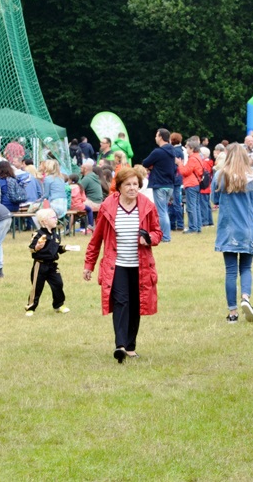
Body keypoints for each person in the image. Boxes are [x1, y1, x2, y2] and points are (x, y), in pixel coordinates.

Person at [83, 168, 161, 362]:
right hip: (116, 264)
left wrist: (149, 238)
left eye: (135, 184)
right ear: (119, 187)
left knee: (135, 304)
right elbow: (96, 239)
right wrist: (89, 265)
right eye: (128, 184)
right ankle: (120, 345)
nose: (132, 188)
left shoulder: (148, 205)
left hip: (140, 265)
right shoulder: (108, 206)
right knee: (121, 302)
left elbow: (158, 233)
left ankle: (131, 347)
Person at [212, 143, 253, 324]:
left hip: (228, 229)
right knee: (246, 268)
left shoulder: (220, 176)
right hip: (247, 228)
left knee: (231, 271)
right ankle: (245, 298)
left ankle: (232, 312)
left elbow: (214, 199)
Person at [26, 208, 70, 316]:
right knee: (37, 287)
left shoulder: (56, 235)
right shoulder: (38, 234)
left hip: (52, 265)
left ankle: (58, 305)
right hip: (40, 265)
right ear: (45, 221)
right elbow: (31, 248)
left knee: (58, 284)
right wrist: (37, 247)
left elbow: (55, 248)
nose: (56, 219)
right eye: (53, 217)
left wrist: (65, 248)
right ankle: (31, 307)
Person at [178, 137, 206, 233]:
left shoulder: (192, 159)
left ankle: (193, 227)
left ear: (192, 149)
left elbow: (185, 172)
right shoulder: (198, 157)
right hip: (196, 184)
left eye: (187, 147)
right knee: (196, 206)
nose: (186, 149)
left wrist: (180, 164)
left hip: (191, 184)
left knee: (191, 207)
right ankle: (197, 227)